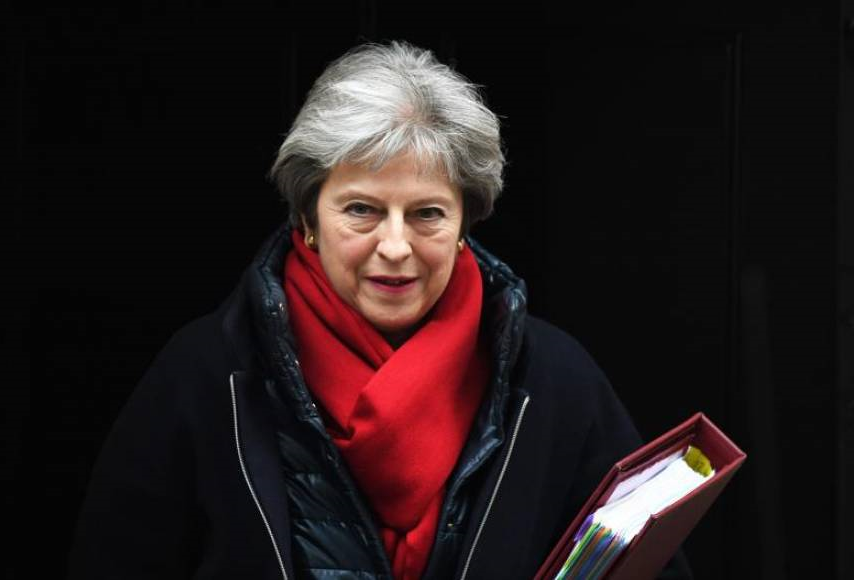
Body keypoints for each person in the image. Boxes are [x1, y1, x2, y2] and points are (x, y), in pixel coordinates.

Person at [67, 40, 692, 579]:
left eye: (427, 214)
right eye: (361, 210)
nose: (395, 247)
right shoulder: (208, 375)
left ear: (464, 224)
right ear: (308, 218)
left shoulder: (554, 379)